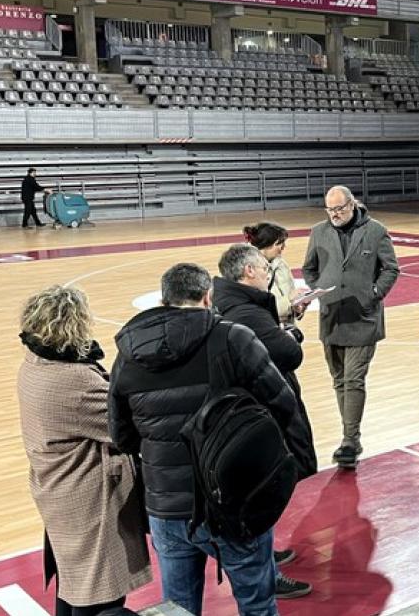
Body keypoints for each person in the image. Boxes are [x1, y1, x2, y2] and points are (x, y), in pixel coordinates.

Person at [109, 263, 314, 614]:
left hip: (167, 506)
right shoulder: (233, 337)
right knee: (257, 603)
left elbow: (122, 436)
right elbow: (282, 402)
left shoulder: (128, 354)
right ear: (208, 297)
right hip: (232, 500)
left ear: (163, 299)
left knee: (178, 608)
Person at [16, 285, 151, 616]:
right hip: (91, 504)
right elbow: (127, 425)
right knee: (98, 596)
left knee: (73, 584)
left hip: (59, 492)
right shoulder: (73, 379)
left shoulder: (34, 363)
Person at [212, 243, 317, 595]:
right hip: (259, 413)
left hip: (242, 413)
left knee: (256, 492)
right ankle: (265, 575)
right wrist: (291, 335)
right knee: (262, 490)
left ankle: (265, 557)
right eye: (262, 265)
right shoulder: (248, 312)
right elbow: (288, 352)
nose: (267, 270)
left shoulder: (227, 302)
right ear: (248, 272)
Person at [301, 185, 399, 468]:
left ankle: (349, 439)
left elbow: (391, 268)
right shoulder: (319, 232)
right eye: (330, 210)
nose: (334, 214)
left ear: (353, 204)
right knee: (339, 380)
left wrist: (374, 293)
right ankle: (351, 438)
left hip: (363, 320)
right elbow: (309, 268)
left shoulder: (376, 230)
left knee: (353, 379)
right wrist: (318, 289)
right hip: (331, 319)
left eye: (339, 209)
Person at [244, 222, 301, 323]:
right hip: (268, 330)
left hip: (287, 329)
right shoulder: (250, 272)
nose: (283, 247)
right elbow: (260, 310)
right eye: (279, 243)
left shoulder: (282, 265)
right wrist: (289, 301)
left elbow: (292, 298)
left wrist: (299, 308)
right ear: (267, 245)